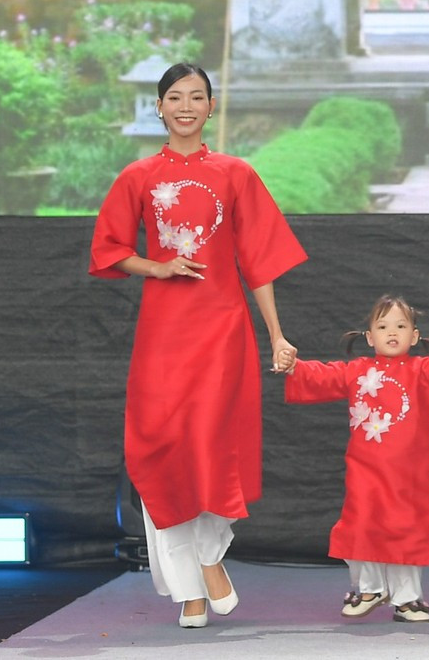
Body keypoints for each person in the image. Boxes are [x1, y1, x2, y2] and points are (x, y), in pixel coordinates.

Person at [89, 62, 305, 629]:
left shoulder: (236, 173)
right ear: (158, 107)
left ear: (212, 107)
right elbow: (110, 249)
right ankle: (186, 586)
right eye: (175, 97)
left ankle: (209, 559)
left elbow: (258, 262)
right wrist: (155, 269)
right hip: (163, 333)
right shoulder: (138, 176)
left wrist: (277, 335)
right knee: (160, 447)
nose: (186, 106)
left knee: (214, 446)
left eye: (197, 97)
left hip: (223, 330)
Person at [284, 295, 429, 622]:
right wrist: (294, 366)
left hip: (412, 474)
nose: (392, 332)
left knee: (407, 530)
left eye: (401, 326)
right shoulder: (356, 371)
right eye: (383, 326)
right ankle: (369, 588)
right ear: (370, 337)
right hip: (366, 470)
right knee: (360, 524)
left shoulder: (423, 370)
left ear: (414, 336)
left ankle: (408, 598)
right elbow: (322, 376)